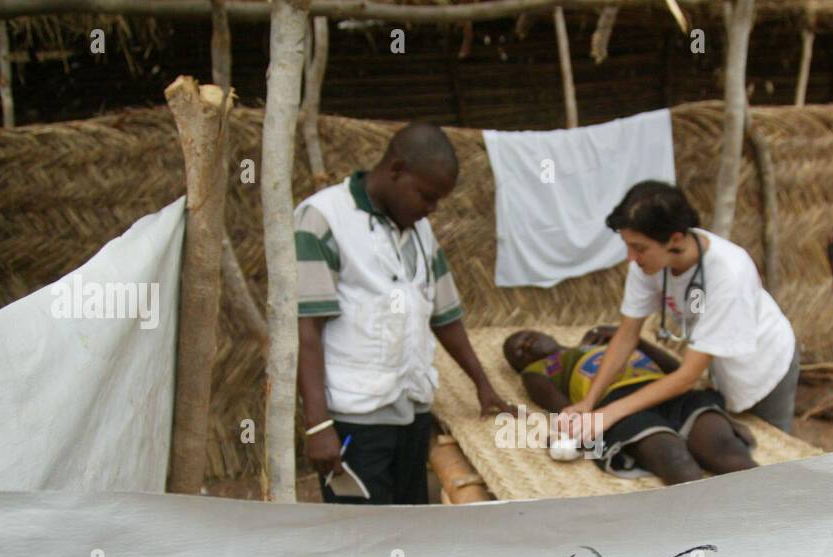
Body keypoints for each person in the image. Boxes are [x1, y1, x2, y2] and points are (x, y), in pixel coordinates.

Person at [294, 122, 514, 505]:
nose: (432, 210)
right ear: (396, 170)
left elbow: (444, 315)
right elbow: (305, 328)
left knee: (412, 533)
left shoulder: (419, 230)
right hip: (354, 419)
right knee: (363, 542)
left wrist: (482, 383)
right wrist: (318, 425)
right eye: (427, 197)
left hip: (411, 413)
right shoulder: (323, 218)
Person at [556, 180, 799, 446]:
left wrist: (609, 414)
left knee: (775, 452)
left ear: (675, 240)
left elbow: (688, 377)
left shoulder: (729, 274)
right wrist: (589, 403)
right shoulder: (648, 263)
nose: (630, 257)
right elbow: (627, 335)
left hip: (765, 365)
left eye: (639, 247)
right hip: (723, 366)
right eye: (628, 245)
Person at [504, 325, 757, 484]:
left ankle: (777, 516)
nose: (526, 345)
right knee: (675, 459)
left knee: (725, 450)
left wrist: (637, 341)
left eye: (526, 336)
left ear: (545, 331)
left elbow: (679, 372)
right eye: (518, 352)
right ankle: (715, 534)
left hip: (669, 391)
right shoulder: (537, 370)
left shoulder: (605, 340)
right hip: (616, 405)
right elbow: (564, 408)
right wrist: (574, 431)